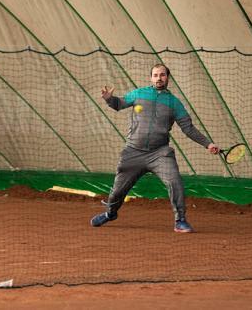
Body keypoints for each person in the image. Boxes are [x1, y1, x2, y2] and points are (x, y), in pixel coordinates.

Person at [91, 64, 219, 233]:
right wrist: (109, 99)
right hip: (133, 152)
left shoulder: (175, 103)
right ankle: (110, 214)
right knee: (117, 192)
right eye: (156, 75)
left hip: (160, 154)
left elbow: (188, 128)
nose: (159, 78)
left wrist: (208, 144)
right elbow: (119, 104)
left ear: (168, 77)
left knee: (175, 182)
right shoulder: (139, 94)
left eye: (162, 75)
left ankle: (180, 220)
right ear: (150, 78)